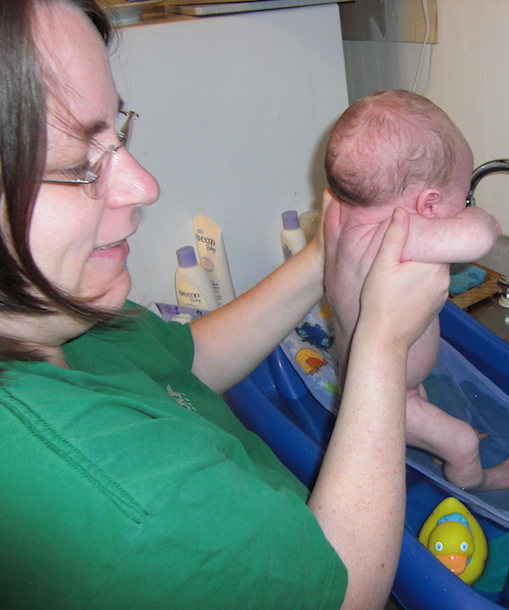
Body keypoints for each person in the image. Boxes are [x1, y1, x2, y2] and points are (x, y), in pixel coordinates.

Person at [0, 2, 450, 609]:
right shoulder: (129, 510)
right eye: (80, 165)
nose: (145, 186)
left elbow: (184, 360)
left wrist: (327, 252)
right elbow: (347, 592)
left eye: (117, 133)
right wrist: (382, 340)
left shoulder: (57, 315)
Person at [324, 90, 509, 492]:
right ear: (429, 204)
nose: (464, 205)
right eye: (463, 197)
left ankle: (432, 443)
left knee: (432, 423)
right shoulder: (393, 234)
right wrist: (480, 218)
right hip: (387, 395)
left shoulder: (339, 215)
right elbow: (477, 239)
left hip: (376, 376)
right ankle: (475, 482)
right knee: (464, 442)